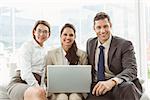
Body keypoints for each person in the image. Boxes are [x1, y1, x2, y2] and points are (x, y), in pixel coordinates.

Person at [86, 12, 143, 100]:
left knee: (128, 87)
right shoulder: (90, 43)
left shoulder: (124, 44)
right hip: (99, 86)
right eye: (99, 27)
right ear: (94, 29)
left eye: (105, 26)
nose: (103, 31)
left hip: (119, 85)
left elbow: (131, 69)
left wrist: (112, 82)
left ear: (110, 25)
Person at [6, 20, 51, 100]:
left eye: (45, 32)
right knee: (39, 93)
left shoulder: (46, 50)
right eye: (39, 31)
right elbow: (25, 73)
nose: (41, 34)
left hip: (35, 84)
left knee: (43, 93)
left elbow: (43, 73)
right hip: (20, 81)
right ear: (34, 32)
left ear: (49, 35)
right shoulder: (27, 46)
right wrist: (38, 88)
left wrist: (43, 87)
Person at [46, 23, 88, 100]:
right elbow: (46, 77)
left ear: (75, 37)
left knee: (74, 98)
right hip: (57, 91)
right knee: (62, 97)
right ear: (60, 36)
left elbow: (86, 78)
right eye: (65, 34)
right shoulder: (51, 54)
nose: (68, 37)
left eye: (71, 35)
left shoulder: (82, 54)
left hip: (77, 91)